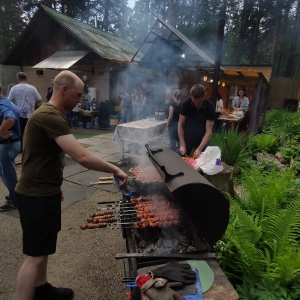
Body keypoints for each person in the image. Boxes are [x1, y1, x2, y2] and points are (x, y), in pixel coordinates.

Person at [15, 70, 128, 300]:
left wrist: (54, 187)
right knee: (34, 256)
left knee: (43, 248)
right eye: (78, 95)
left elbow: (43, 158)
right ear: (64, 90)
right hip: (35, 195)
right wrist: (115, 168)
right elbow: (82, 157)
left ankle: (42, 288)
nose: (79, 100)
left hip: (44, 191)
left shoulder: (51, 114)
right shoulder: (49, 116)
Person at [178, 84, 215, 158]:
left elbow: (209, 131)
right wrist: (182, 145)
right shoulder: (187, 103)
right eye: (194, 102)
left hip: (202, 140)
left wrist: (199, 149)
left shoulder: (209, 107)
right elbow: (180, 125)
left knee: (203, 163)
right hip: (187, 138)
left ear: (204, 96)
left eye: (198, 103)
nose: (196, 104)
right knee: (182, 161)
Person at [8, 72, 42, 152]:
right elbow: (39, 98)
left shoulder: (14, 88)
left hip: (18, 114)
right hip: (30, 114)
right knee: (29, 132)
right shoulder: (32, 88)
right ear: (26, 78)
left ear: (18, 79)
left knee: (20, 132)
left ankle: (21, 149)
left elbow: (9, 100)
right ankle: (29, 148)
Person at [0, 86, 21, 212]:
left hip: (8, 145)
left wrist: (0, 131)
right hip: (13, 143)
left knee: (8, 174)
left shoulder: (2, 105)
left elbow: (10, 118)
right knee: (5, 172)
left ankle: (15, 200)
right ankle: (14, 195)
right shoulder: (7, 102)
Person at [166, 89, 181, 154]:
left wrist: (167, 125)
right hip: (180, 125)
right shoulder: (183, 104)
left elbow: (170, 116)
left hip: (173, 125)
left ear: (173, 96)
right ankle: (179, 155)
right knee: (179, 141)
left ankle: (173, 155)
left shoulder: (172, 105)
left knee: (173, 141)